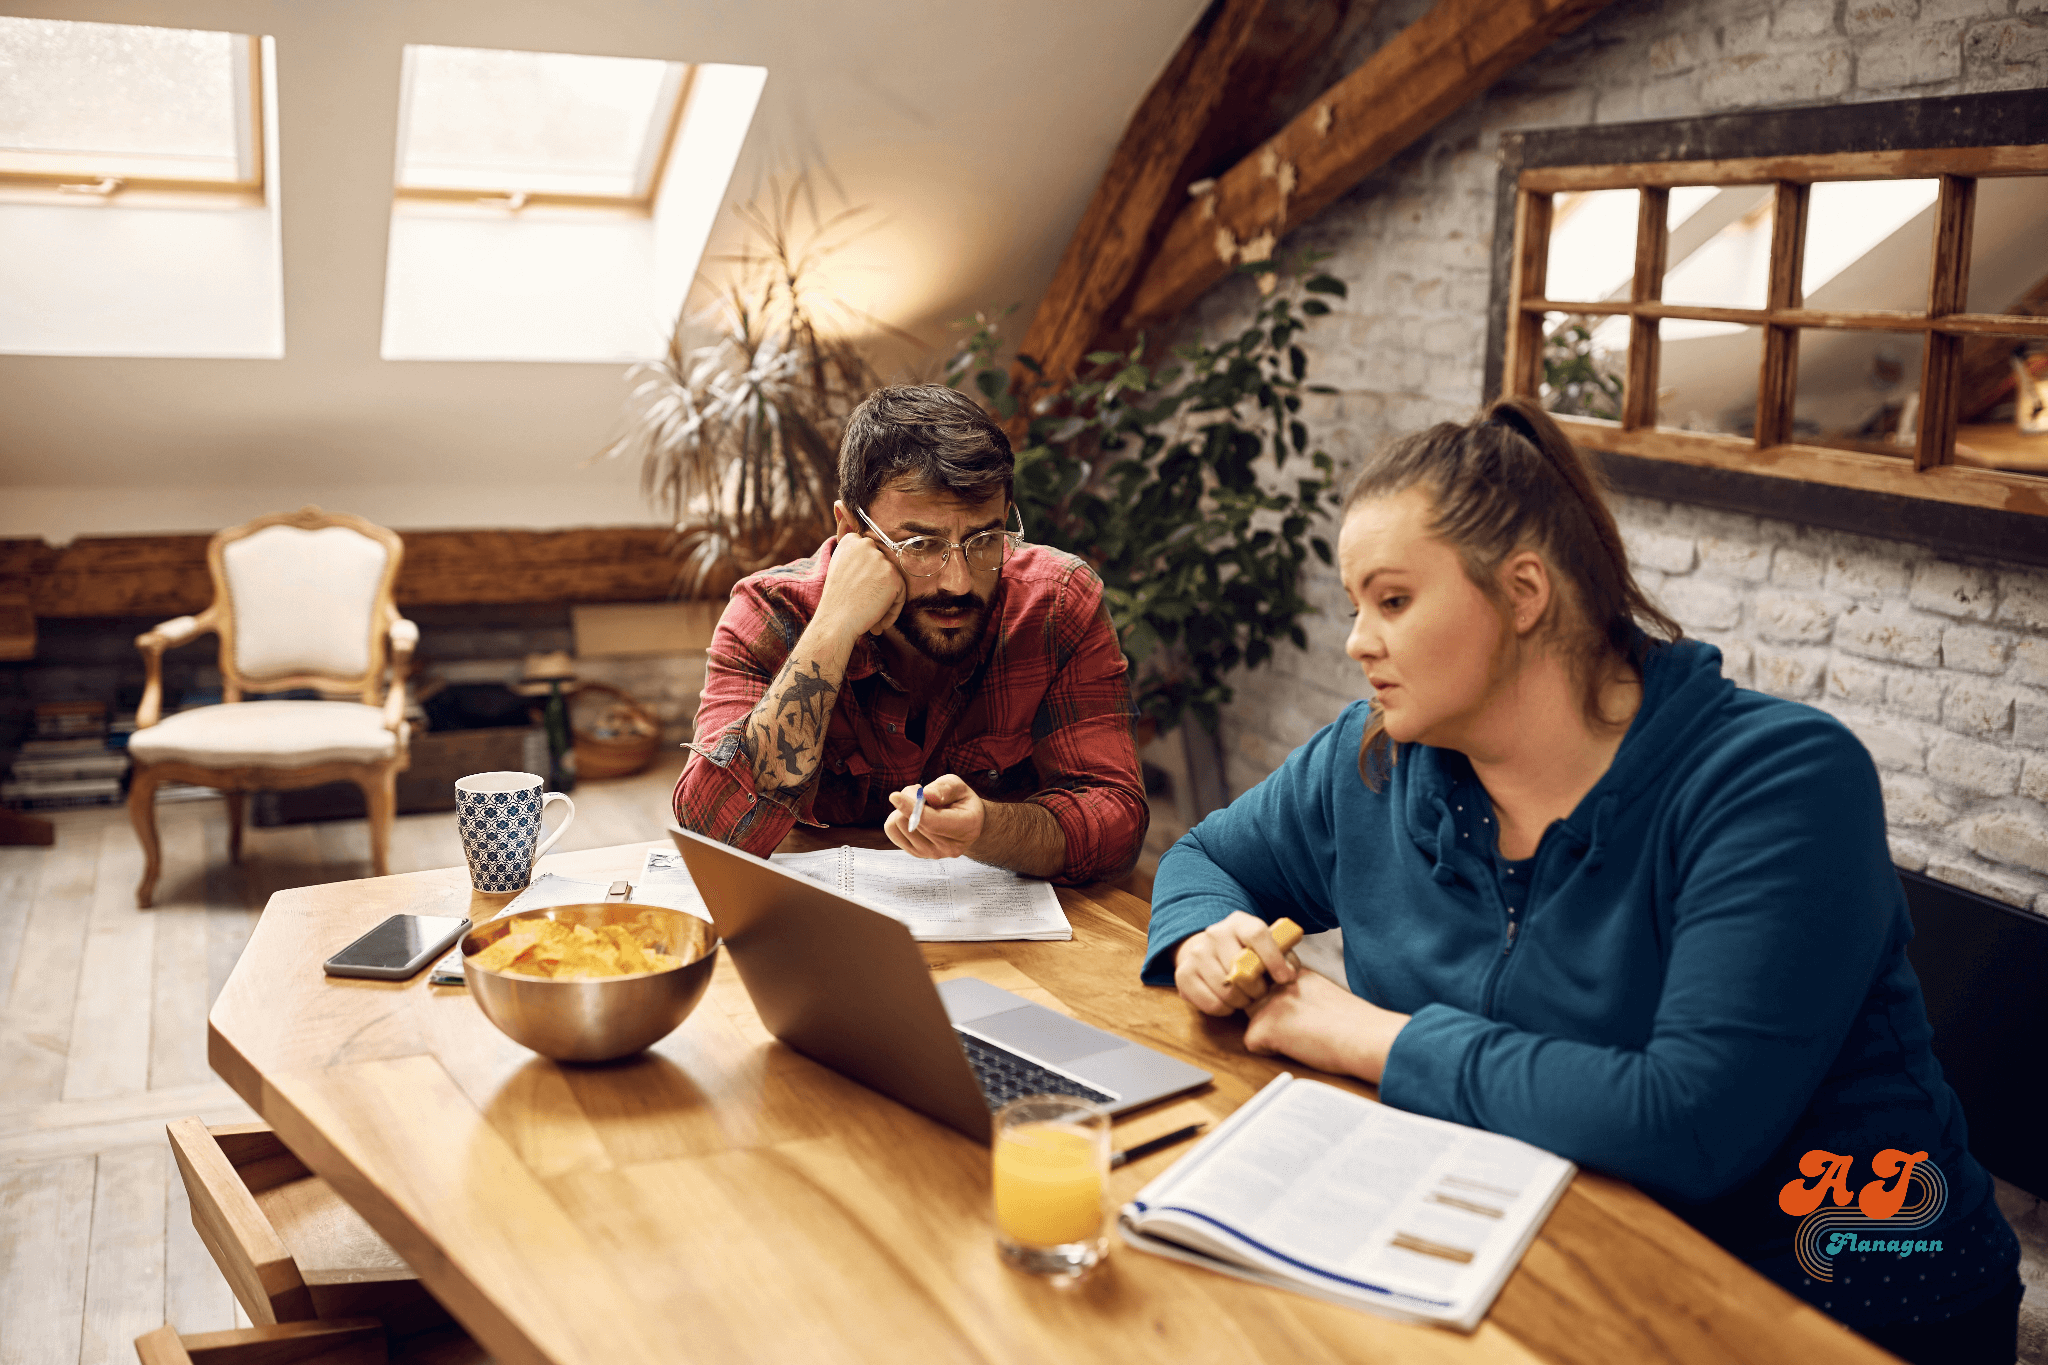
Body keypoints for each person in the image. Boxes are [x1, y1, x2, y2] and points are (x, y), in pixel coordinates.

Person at [1144, 396, 2022, 1363]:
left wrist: (1364, 1034)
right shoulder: (1376, 762)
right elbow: (1208, 858)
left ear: (1524, 592)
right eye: (1356, 605)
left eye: (1391, 601)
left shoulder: (1777, 783)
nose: (1358, 639)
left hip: (1839, 1299)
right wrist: (1205, 934)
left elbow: (1691, 1121)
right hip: (1519, 1249)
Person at [674, 383, 1148, 885]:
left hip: (1007, 937)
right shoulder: (770, 612)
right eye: (921, 544)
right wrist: (833, 625)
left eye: (984, 539)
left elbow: (1115, 819)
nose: (958, 582)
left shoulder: (1057, 602)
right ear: (849, 533)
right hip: (823, 928)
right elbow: (710, 834)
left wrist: (987, 830)